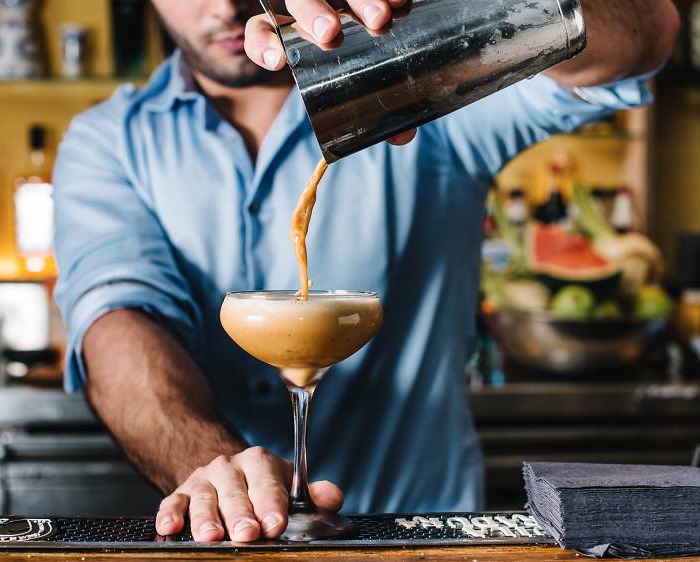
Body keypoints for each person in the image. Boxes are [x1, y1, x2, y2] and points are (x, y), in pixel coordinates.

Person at [53, 0, 679, 544]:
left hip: (424, 537)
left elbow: (644, 35)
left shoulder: (419, 80)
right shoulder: (110, 140)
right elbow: (118, 324)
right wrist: (225, 478)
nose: (222, 7)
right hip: (232, 542)